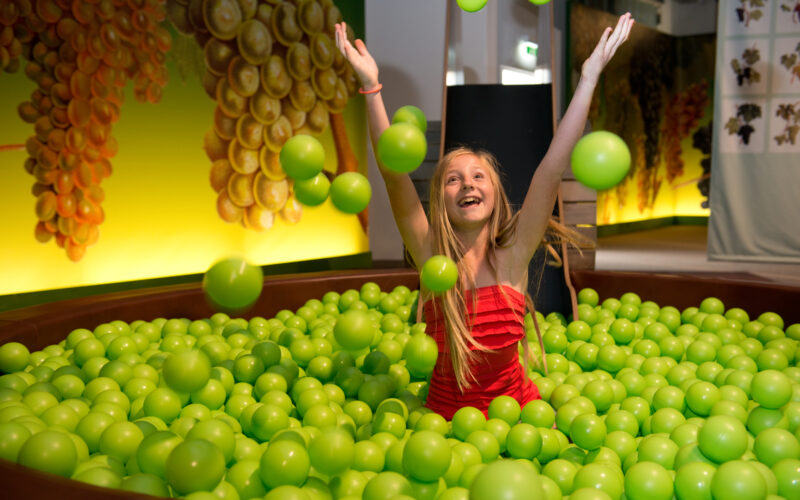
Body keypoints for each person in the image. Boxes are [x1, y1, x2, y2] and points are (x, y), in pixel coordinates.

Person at [335, 14, 634, 419]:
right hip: (447, 421)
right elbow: (393, 176)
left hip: (518, 415)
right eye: (453, 180)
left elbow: (551, 167)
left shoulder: (513, 255)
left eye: (478, 176)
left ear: (495, 193)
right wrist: (371, 88)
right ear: (440, 199)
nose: (468, 185)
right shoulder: (430, 256)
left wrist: (589, 78)